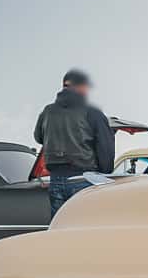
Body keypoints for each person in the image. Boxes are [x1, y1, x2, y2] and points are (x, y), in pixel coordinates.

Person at [34, 68, 114, 218]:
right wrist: (105, 173)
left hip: (56, 179)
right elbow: (105, 148)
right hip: (84, 179)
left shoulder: (48, 111)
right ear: (81, 87)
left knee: (60, 226)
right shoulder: (92, 112)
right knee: (85, 225)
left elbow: (38, 137)